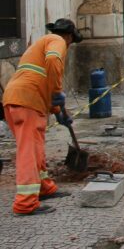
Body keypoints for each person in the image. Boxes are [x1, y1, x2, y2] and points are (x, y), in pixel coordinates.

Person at [2, 18, 83, 216]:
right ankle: (25, 203)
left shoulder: (41, 45)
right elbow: (54, 61)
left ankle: (44, 187)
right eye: (71, 42)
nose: (69, 46)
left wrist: (56, 111)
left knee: (36, 147)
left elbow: (42, 79)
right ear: (69, 36)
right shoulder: (57, 40)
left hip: (22, 99)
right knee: (29, 149)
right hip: (27, 100)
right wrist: (57, 91)